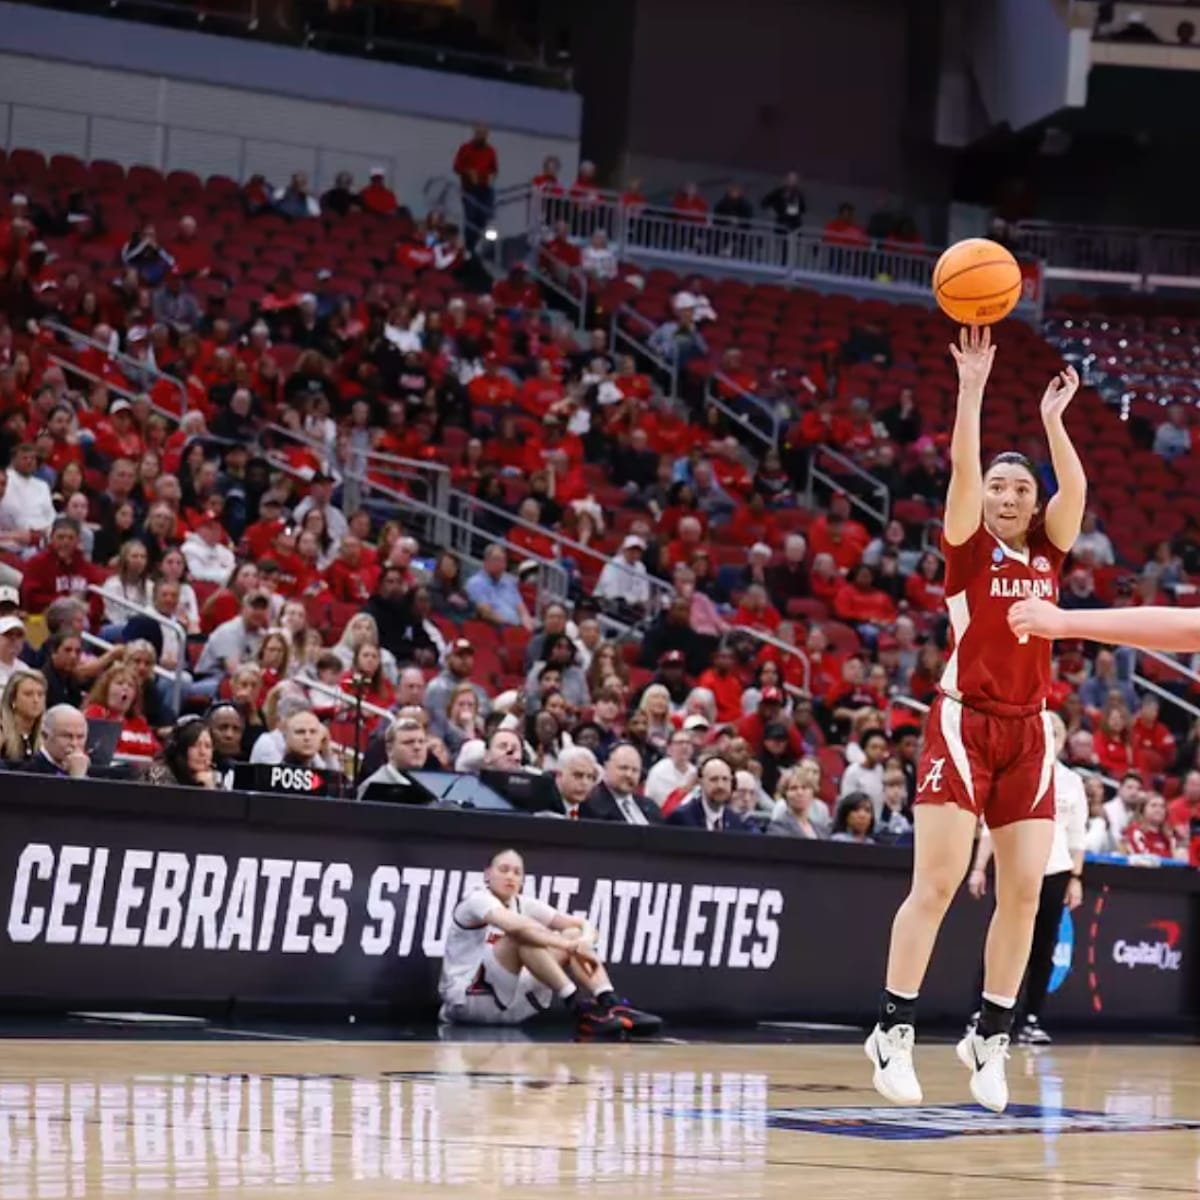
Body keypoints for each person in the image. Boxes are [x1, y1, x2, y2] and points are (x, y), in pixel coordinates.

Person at [867, 327, 1086, 1114]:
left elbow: (1077, 497)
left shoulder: (1048, 551)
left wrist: (1054, 424)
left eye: (1019, 488)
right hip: (961, 724)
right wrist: (972, 390)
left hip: (1029, 731)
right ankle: (892, 1029)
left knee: (1025, 893)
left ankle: (987, 1038)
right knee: (939, 883)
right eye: (999, 485)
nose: (1007, 494)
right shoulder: (965, 548)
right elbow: (963, 468)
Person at [437, 848, 660, 1037]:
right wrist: (567, 946)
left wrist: (582, 941)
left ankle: (609, 1001)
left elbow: (584, 925)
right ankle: (576, 1005)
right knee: (522, 937)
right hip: (468, 1002)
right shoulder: (476, 900)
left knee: (572, 933)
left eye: (517, 872)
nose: (510, 877)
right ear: (487, 874)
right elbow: (517, 926)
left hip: (513, 1004)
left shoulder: (525, 903)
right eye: (503, 870)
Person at [967, 712, 1086, 1045]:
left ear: (1063, 741)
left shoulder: (1071, 781)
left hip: (1056, 868)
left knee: (1043, 945)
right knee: (1003, 936)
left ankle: (1032, 1018)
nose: (1051, 737)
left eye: (1057, 733)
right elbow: (991, 826)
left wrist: (1076, 877)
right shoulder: (1013, 771)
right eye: (1046, 731)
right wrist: (979, 867)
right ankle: (981, 1012)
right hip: (1015, 864)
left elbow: (1077, 836)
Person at [579, 742, 663, 824]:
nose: (629, 775)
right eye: (623, 768)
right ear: (606, 766)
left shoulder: (650, 806)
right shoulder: (590, 803)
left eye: (635, 770)